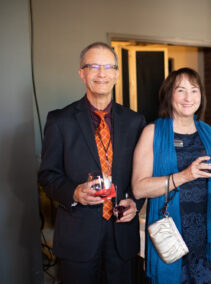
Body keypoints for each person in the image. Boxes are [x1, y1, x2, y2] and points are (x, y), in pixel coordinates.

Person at [38, 42, 146, 283]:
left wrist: (135, 201)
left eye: (108, 67)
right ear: (82, 73)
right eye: (93, 66)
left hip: (122, 235)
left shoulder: (135, 122)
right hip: (77, 238)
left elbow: (142, 175)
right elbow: (47, 175)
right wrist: (74, 192)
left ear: (117, 74)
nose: (101, 73)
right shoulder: (60, 121)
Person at [132, 67, 211, 284]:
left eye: (194, 90)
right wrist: (184, 175)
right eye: (180, 90)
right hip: (170, 235)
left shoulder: (210, 134)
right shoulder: (152, 133)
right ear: (168, 94)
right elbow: (139, 188)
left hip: (205, 239)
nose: (188, 97)